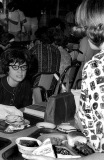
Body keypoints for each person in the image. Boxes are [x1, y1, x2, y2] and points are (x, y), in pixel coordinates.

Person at [23, 0, 104, 159]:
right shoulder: (58, 51)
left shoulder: (96, 66)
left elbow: (96, 133)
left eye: (85, 27)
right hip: (56, 85)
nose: (83, 32)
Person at [0, 48, 32, 116]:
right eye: (15, 67)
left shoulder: (26, 84)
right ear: (7, 68)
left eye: (23, 67)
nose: (20, 71)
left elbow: (26, 109)